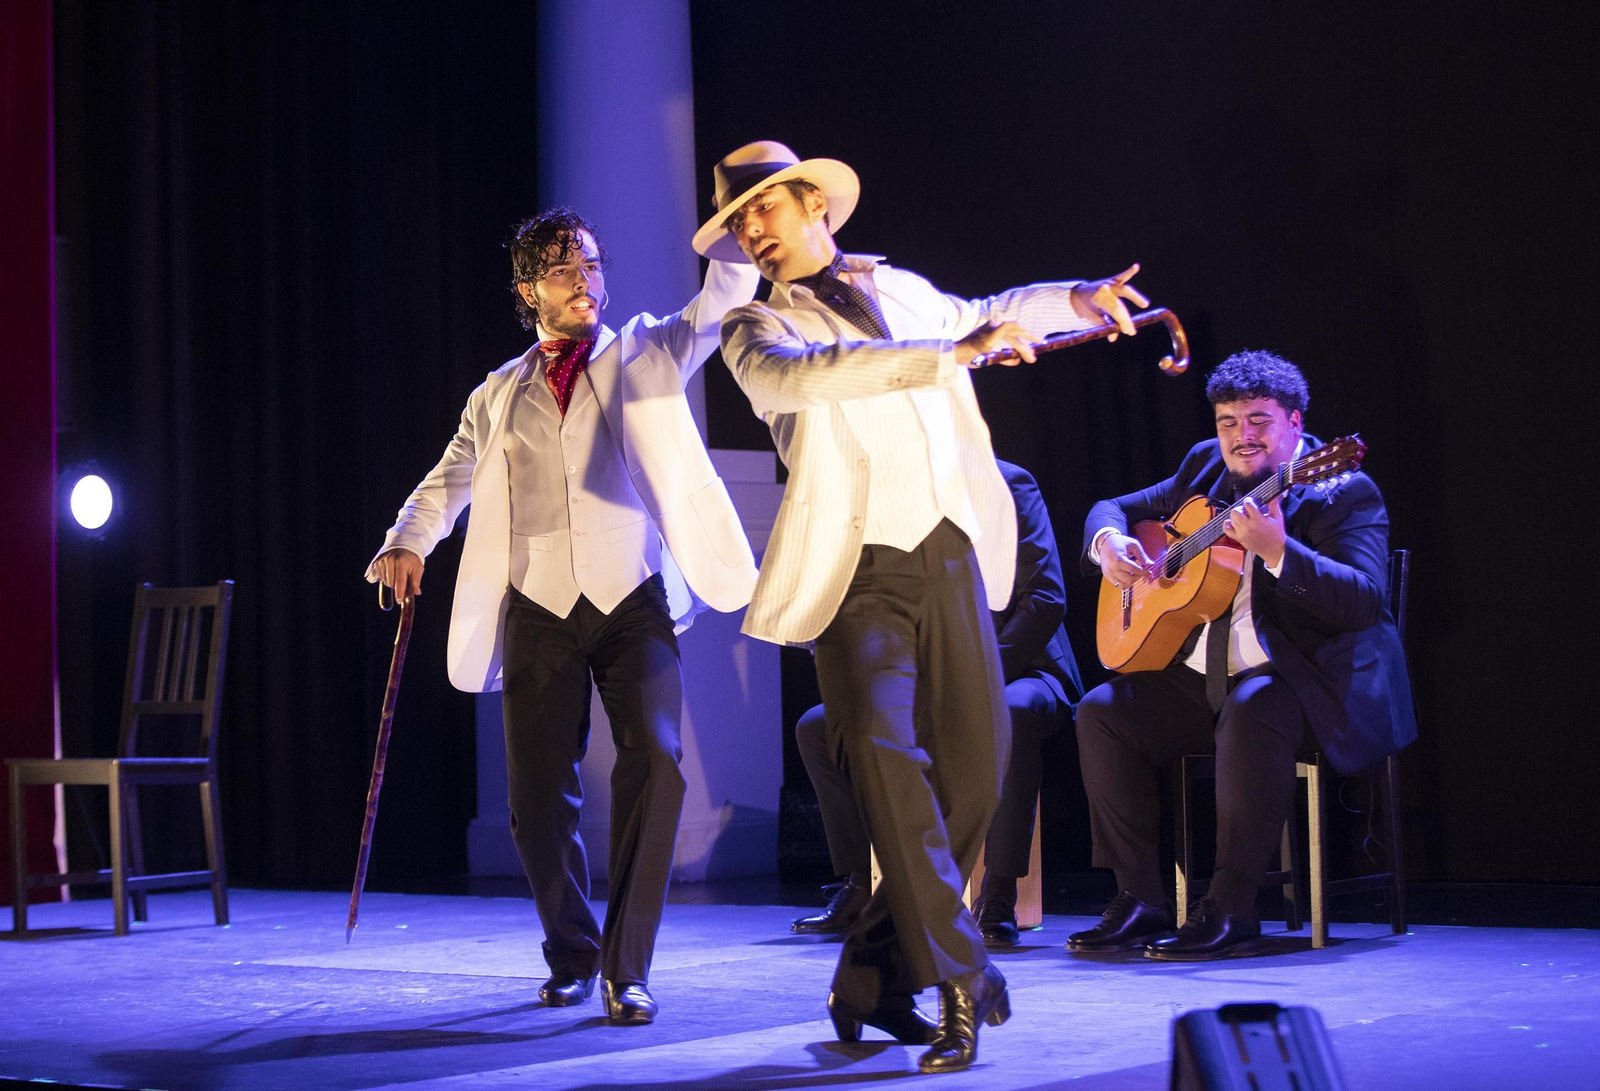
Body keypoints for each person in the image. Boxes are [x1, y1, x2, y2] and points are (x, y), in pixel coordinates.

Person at [694, 140, 1143, 1073]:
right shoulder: (753, 325)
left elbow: (985, 312)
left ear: (814, 203)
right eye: (737, 221)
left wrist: (1076, 299)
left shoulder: (903, 289)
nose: (750, 231)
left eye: (763, 208)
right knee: (887, 760)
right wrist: (945, 356)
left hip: (949, 555)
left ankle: (868, 976)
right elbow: (803, 377)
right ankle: (962, 978)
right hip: (854, 572)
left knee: (973, 781)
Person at [367, 208, 759, 1023]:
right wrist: (407, 539)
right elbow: (448, 479)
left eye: (591, 264)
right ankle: (574, 951)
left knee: (658, 759)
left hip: (632, 596)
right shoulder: (496, 394)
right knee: (537, 800)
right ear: (527, 290)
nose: (584, 280)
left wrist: (740, 235)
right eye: (562, 269)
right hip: (538, 603)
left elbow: (718, 305)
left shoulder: (645, 349)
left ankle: (628, 965)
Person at [1067, 350, 1416, 960]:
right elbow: (1113, 506)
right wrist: (1109, 542)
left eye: (1259, 420)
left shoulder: (1342, 489)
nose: (1241, 436)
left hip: (1309, 682)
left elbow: (1365, 600)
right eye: (1228, 421)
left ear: (1295, 423)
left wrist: (1280, 552)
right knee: (1102, 712)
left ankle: (1231, 907)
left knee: (1254, 706)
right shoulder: (1204, 463)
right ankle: (1140, 897)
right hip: (1208, 680)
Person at [789, 459, 1083, 948]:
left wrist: (975, 674)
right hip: (931, 670)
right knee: (819, 726)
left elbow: (1046, 599)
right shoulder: (894, 490)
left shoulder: (1009, 483)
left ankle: (998, 894)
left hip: (1023, 666)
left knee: (1009, 712)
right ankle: (860, 883)